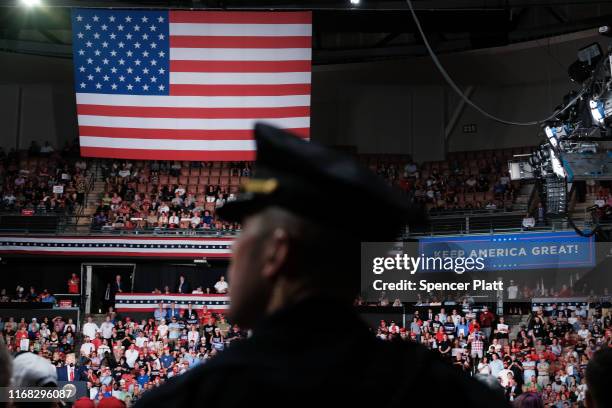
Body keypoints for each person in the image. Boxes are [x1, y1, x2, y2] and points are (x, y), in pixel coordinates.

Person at [135, 124, 507, 407]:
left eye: (243, 235)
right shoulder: (441, 391)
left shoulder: (197, 397)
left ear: (277, 253)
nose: (233, 257)